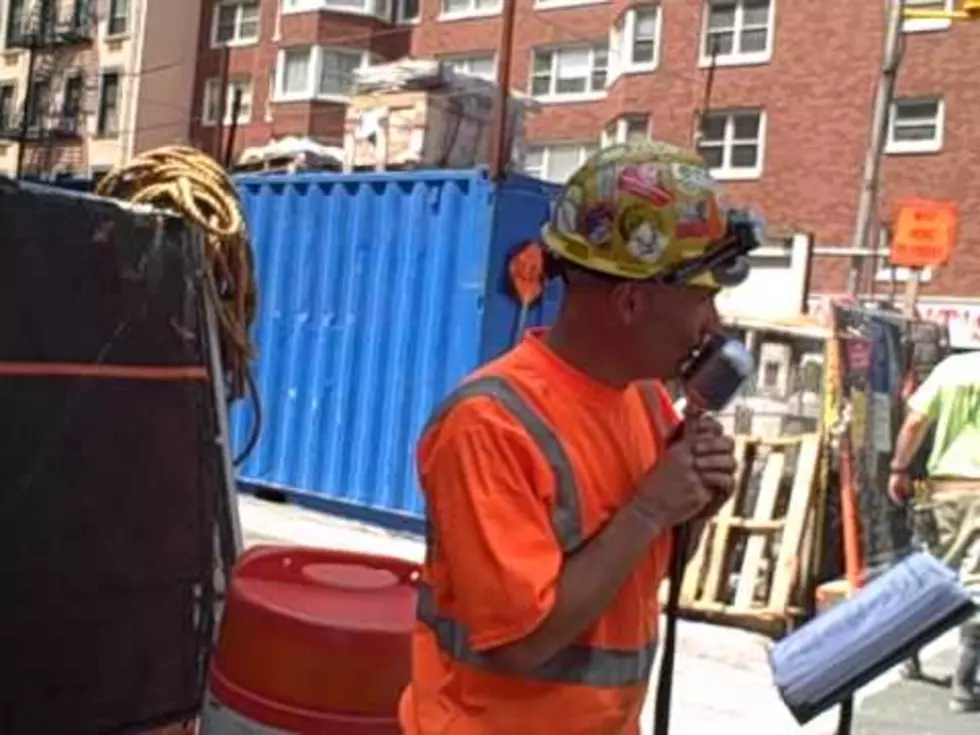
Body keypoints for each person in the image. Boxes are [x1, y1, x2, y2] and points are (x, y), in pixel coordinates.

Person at [397, 141, 759, 734]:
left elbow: (631, 581)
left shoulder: (640, 399)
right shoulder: (490, 424)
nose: (713, 326)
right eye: (704, 299)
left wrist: (688, 514)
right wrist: (649, 508)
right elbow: (521, 643)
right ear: (631, 300)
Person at [888, 349, 980, 713]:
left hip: (945, 489)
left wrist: (899, 468)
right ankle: (964, 685)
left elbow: (915, 423)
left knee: (933, 573)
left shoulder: (952, 369)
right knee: (977, 583)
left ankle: (907, 657)